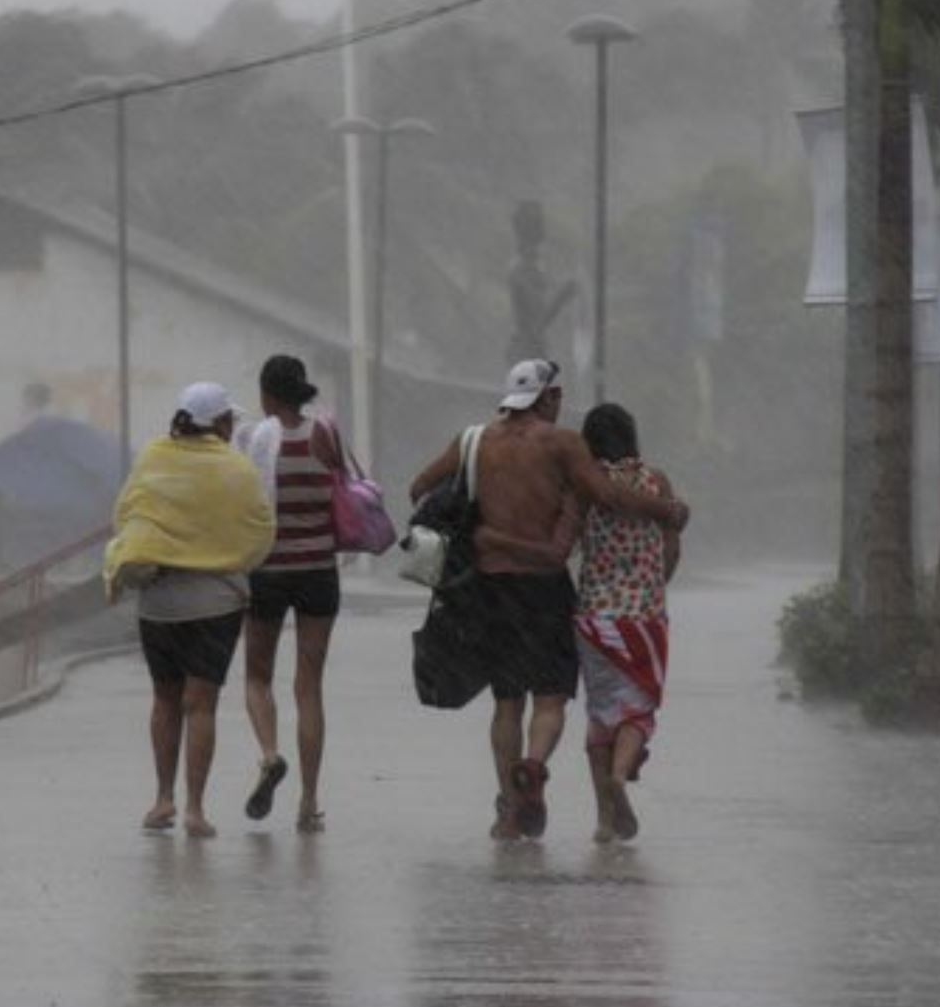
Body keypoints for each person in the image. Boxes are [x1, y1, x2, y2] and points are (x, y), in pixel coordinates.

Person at [409, 360, 688, 841]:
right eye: (556, 397)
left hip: (489, 586)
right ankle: (534, 766)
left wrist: (475, 521)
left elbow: (418, 489)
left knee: (507, 702)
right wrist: (667, 510)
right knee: (551, 698)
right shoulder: (561, 444)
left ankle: (506, 808)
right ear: (548, 398)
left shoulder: (474, 440)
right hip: (544, 587)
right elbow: (606, 494)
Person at [106, 382, 275, 839]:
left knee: (164, 699)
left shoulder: (152, 459)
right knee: (201, 705)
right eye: (229, 420)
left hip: (159, 605)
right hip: (215, 604)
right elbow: (261, 529)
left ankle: (163, 799)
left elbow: (125, 517)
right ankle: (196, 810)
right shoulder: (236, 469)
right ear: (218, 423)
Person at [237, 355, 344, 834]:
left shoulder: (257, 441)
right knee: (309, 687)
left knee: (258, 676)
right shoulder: (324, 433)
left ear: (266, 394)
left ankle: (269, 754)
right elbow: (341, 487)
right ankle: (309, 800)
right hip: (319, 569)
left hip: (268, 572)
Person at [572, 404, 681, 844]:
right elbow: (672, 548)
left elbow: (569, 539)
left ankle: (603, 820)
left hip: (595, 618)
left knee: (600, 718)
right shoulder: (657, 483)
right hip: (645, 618)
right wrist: (654, 586)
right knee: (637, 711)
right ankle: (620, 777)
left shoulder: (585, 488)